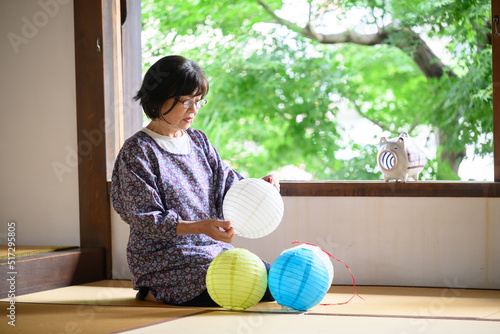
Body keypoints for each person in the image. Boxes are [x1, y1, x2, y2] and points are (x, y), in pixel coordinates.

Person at [110, 55, 278, 306]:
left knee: (273, 281)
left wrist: (260, 187)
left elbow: (228, 184)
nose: (194, 110)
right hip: (163, 258)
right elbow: (144, 217)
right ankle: (153, 288)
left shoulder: (198, 141)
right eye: (186, 101)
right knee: (232, 288)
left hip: (211, 252)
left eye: (198, 101)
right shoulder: (138, 150)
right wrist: (198, 227)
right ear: (158, 98)